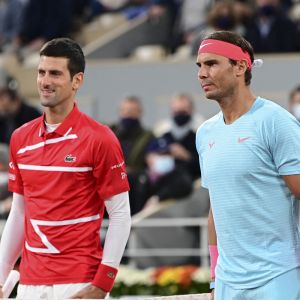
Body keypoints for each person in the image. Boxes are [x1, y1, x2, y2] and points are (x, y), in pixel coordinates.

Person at [0, 37, 131, 299]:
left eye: (56, 74)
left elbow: (120, 215)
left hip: (78, 281)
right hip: (29, 282)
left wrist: (103, 283)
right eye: (41, 72)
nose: (45, 81)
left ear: (77, 81)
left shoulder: (100, 138)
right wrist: (1, 275)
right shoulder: (20, 138)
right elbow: (19, 211)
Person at [195, 30, 300, 300]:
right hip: (228, 282)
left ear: (240, 66)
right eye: (199, 66)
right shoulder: (205, 133)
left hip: (279, 276)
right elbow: (215, 210)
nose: (202, 74)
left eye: (212, 64)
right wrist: (215, 279)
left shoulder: (276, 122)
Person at [110, 95, 154, 215]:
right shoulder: (110, 132)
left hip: (136, 180)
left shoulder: (148, 136)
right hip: (112, 178)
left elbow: (150, 160)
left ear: (140, 113)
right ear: (120, 112)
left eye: (132, 111)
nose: (128, 115)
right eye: (125, 111)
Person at [157, 93, 201, 180]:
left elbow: (205, 165)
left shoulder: (200, 133)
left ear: (191, 110)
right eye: (177, 111)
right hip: (165, 178)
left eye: (183, 111)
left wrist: (186, 156)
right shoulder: (162, 133)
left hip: (191, 179)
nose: (180, 115)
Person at [0, 76, 41, 145]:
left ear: (16, 101)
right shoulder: (4, 117)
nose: (4, 110)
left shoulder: (31, 115)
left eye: (6, 107)